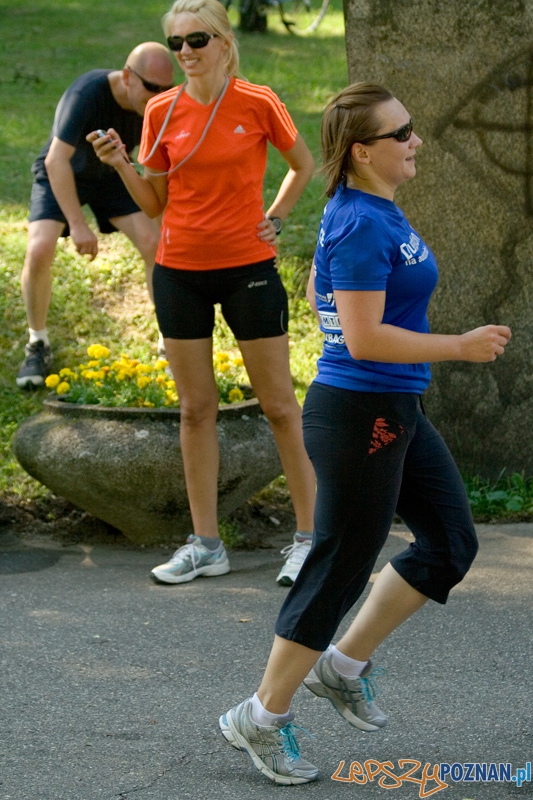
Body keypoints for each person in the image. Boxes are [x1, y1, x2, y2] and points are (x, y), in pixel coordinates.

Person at [219, 82, 512, 785]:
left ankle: (341, 667)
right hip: (359, 413)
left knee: (448, 544)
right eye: (400, 132)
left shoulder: (373, 210)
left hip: (395, 408)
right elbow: (362, 336)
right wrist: (457, 346)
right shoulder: (359, 222)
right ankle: (260, 719)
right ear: (362, 150)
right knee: (339, 565)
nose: (415, 140)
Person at [88, 0, 317, 587]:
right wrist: (119, 164)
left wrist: (278, 216)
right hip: (180, 270)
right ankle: (206, 544)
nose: (185, 52)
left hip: (249, 268)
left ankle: (310, 537)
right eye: (176, 44)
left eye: (196, 40)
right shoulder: (161, 110)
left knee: (280, 408)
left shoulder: (258, 101)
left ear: (221, 42)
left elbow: (301, 164)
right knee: (195, 409)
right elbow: (155, 204)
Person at [17, 42, 175, 390]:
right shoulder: (87, 94)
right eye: (152, 87)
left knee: (155, 243)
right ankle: (37, 343)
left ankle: (170, 342)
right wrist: (77, 225)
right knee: (39, 248)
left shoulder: (159, 106)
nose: (159, 97)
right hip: (65, 173)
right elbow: (55, 161)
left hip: (112, 174)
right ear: (129, 76)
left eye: (167, 89)